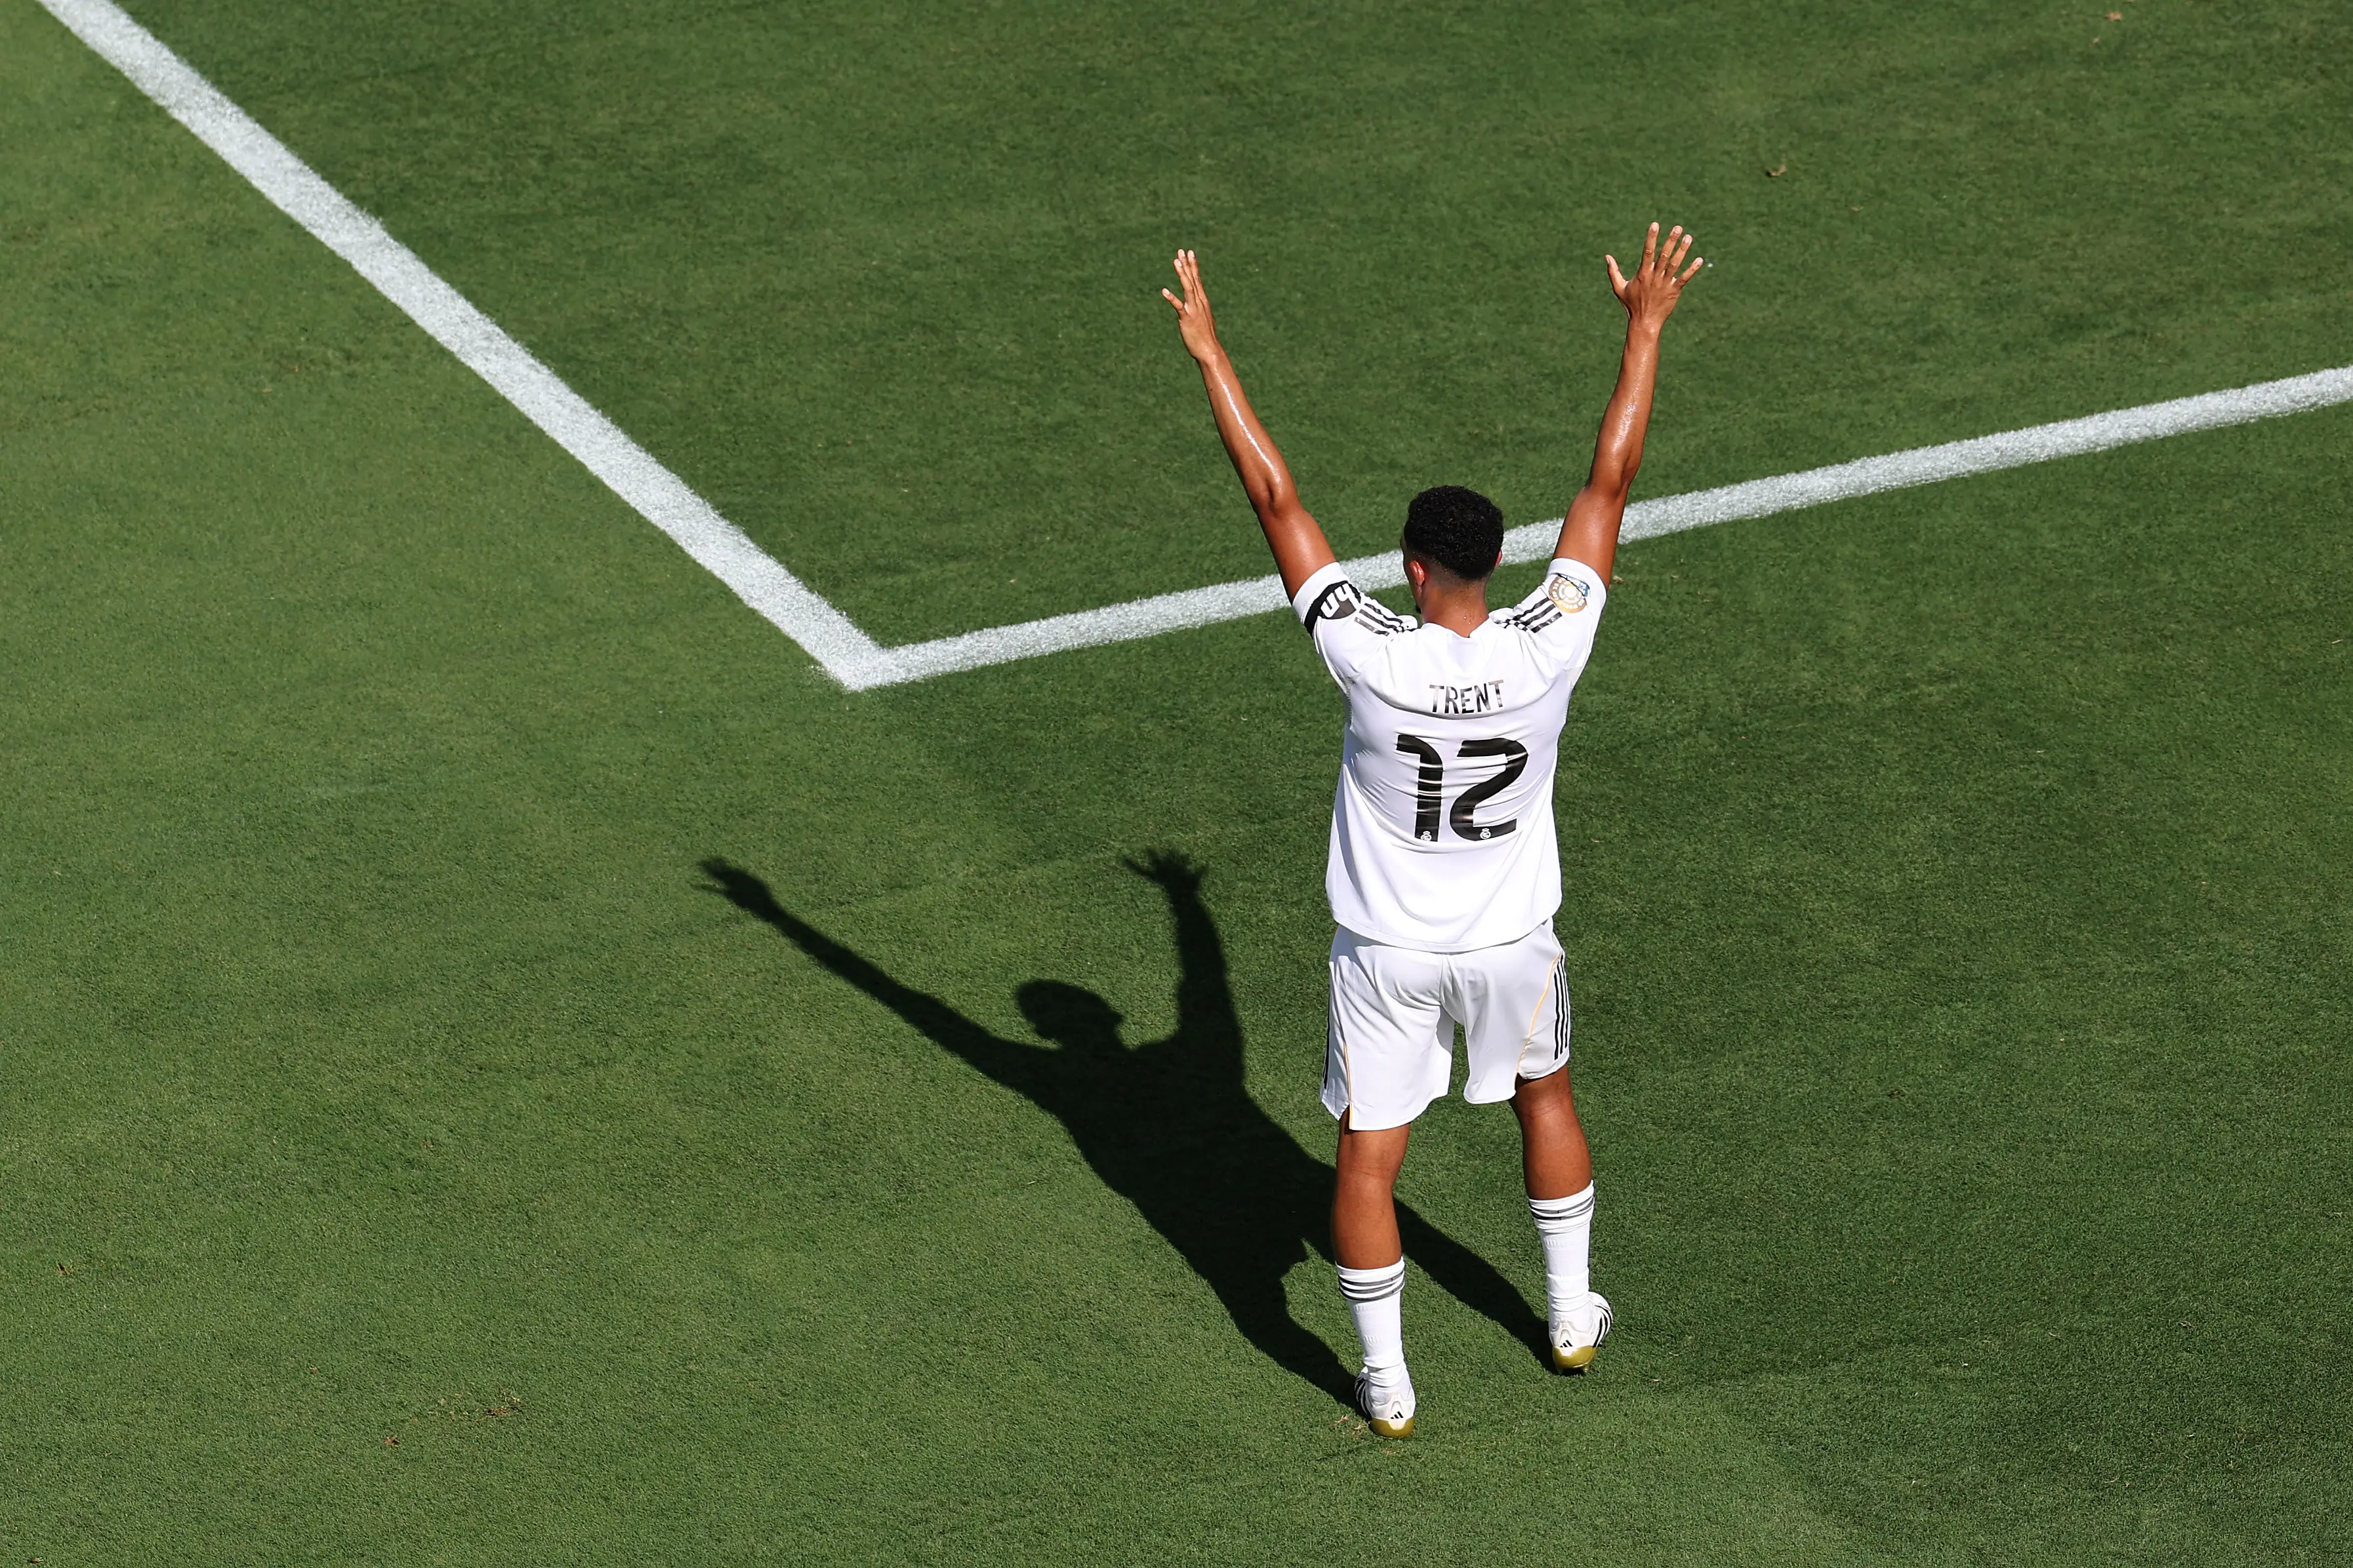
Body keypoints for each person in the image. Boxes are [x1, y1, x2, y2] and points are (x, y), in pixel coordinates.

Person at [1162, 222, 1703, 1437]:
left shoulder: (1367, 655)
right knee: (1546, 1100)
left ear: (1412, 569)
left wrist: (1210, 352)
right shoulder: (1550, 639)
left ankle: (1387, 1381)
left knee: (1367, 1157)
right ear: (1497, 559)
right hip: (1514, 940)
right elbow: (1606, 486)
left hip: (1387, 957)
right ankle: (1568, 1318)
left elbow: (1274, 496)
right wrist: (1645, 328)